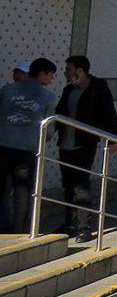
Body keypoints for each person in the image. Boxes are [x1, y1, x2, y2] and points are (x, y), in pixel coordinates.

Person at [55, 55, 117, 242]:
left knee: (81, 185)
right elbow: (60, 112)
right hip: (66, 143)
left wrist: (111, 138)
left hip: (84, 143)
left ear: (79, 71)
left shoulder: (97, 88)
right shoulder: (69, 89)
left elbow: (108, 112)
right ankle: (70, 223)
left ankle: (84, 227)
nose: (65, 73)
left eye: (68, 69)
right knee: (67, 184)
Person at [0, 58, 57, 233]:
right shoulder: (48, 97)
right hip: (27, 150)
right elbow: (48, 130)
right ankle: (19, 230)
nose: (51, 79)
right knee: (22, 193)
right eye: (50, 75)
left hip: (2, 146)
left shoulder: (7, 90)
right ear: (42, 74)